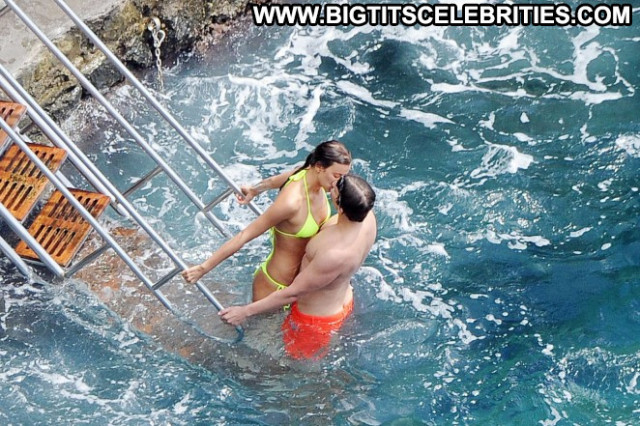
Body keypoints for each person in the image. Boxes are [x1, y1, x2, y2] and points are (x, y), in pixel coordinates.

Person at [219, 174, 377, 360]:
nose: (332, 184)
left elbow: (293, 293)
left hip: (314, 322)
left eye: (336, 189)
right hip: (343, 299)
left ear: (340, 208)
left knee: (288, 368)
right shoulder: (367, 218)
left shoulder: (334, 255)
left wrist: (245, 311)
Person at [182, 140, 352, 301]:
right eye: (336, 175)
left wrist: (253, 190)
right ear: (319, 167)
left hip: (298, 285)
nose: (340, 183)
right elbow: (244, 235)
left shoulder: (304, 174)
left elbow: (271, 181)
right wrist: (203, 268)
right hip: (275, 287)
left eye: (343, 177)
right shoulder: (291, 203)